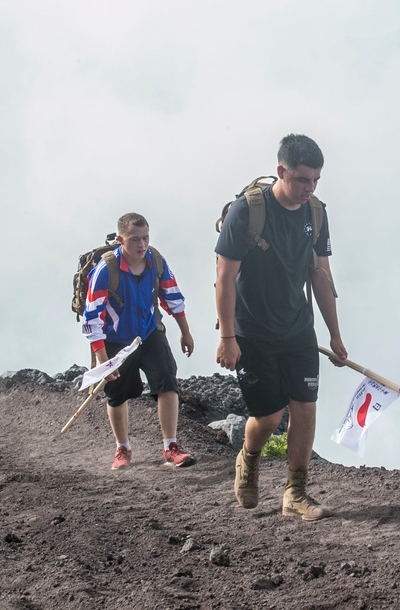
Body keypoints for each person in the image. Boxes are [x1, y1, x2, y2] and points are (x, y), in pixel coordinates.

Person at [215, 133, 347, 521]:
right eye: (303, 179)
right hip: (252, 331)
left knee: (305, 407)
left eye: (316, 181)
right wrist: (227, 337)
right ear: (281, 172)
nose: (309, 188)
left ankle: (296, 492)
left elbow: (321, 276)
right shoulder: (248, 212)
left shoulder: (316, 214)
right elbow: (224, 278)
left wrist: (334, 334)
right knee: (269, 416)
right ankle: (249, 457)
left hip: (297, 328)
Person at [82, 212, 196, 471]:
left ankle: (171, 447)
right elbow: (91, 319)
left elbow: (173, 297)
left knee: (167, 382)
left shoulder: (156, 260)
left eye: (145, 238)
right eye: (135, 239)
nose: (142, 245)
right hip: (115, 341)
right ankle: (122, 448)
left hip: (149, 332)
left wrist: (185, 332)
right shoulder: (105, 270)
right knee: (117, 394)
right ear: (121, 239)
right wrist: (104, 361)